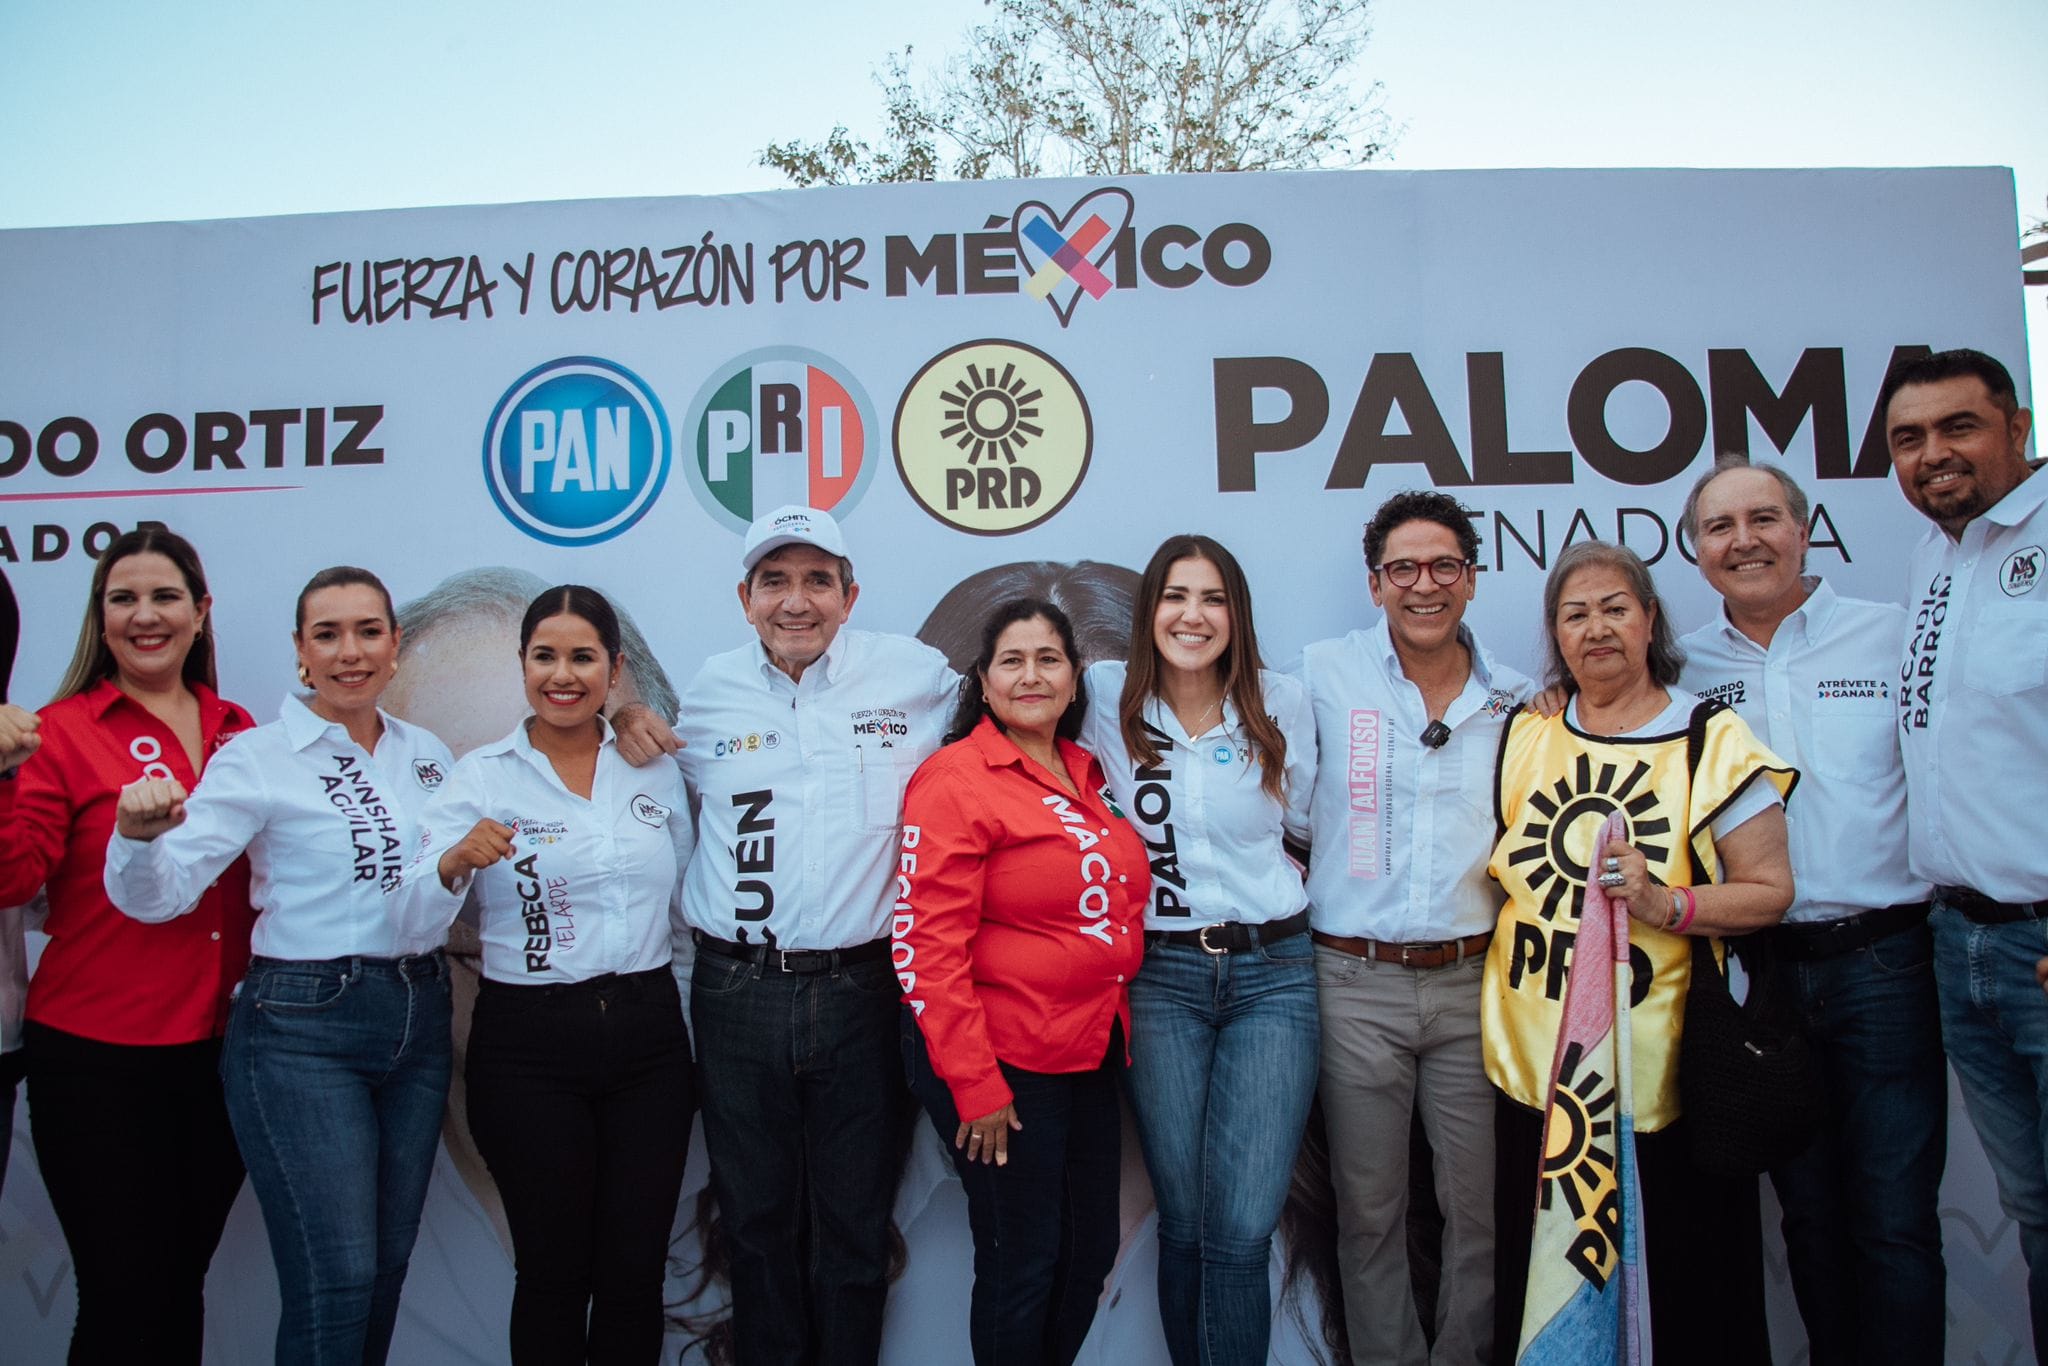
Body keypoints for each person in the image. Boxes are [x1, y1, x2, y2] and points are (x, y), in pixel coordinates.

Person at [103, 565, 460, 1366]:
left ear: (395, 645)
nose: (350, 652)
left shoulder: (427, 755)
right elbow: (159, 898)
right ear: (300, 653)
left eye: (368, 631)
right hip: (303, 1029)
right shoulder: (258, 758)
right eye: (327, 635)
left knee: (385, 1270)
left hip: (418, 1020)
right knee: (335, 1278)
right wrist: (135, 839)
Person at [628, 504, 957, 1366]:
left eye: (818, 580)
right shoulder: (706, 693)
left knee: (853, 1231)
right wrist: (619, 719)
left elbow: (1022, 703)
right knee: (757, 1228)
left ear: (851, 596)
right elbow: (632, 763)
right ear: (745, 598)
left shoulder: (916, 677)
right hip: (737, 993)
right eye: (775, 581)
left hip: (864, 988)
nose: (796, 601)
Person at [1485, 539, 1795, 1365]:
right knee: (1547, 1300)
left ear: (1650, 619)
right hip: (1537, 1073)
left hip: (1664, 1081)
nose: (1597, 629)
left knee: (1688, 1300)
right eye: (1575, 613)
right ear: (1555, 632)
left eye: (1615, 608)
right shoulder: (1526, 730)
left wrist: (1668, 902)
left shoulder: (1709, 737)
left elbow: (1770, 889)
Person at [1675, 454, 1945, 1365]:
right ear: (1696, 552)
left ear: (1804, 528)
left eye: (1762, 519)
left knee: (1895, 1222)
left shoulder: (1894, 636)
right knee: (1811, 1220)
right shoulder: (1680, 669)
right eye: (1719, 528)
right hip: (1762, 974)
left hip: (1885, 964)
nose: (1743, 541)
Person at [406, 584, 695, 1365]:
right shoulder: (480, 777)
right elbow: (413, 912)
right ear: (524, 665)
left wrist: (634, 718)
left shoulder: (652, 765)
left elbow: (691, 895)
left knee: (634, 1275)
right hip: (529, 1048)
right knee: (554, 1275)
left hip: (649, 1043)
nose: (562, 674)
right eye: (544, 656)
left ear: (614, 667)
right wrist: (453, 861)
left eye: (583, 657)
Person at [0, 526, 255, 1365]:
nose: (145, 616)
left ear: (201, 612)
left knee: (179, 1287)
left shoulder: (239, 728)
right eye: (123, 599)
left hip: (221, 1059)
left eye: (165, 597)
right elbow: (13, 879)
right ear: (100, 619)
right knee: (123, 1298)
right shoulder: (56, 732)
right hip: (97, 1058)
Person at [1294, 490, 1529, 1366]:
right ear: (1374, 583)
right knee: (1370, 1210)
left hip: (1477, 984)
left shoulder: (1519, 699)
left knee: (1478, 1210)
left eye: (1442, 567)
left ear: (1471, 578)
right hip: (1353, 983)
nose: (1422, 585)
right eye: (1403, 569)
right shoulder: (1321, 674)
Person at [1079, 534, 1317, 1366]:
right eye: (1176, 597)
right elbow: (997, 701)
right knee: (1183, 1218)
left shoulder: (1281, 700)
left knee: (1243, 1224)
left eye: (1212, 598)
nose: (1193, 615)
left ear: (1236, 615)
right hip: (1160, 977)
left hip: (1273, 975)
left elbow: (1310, 824)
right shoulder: (1105, 696)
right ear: (1149, 613)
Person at [894, 596, 1150, 1365]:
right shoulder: (956, 778)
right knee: (1022, 1260)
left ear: (1076, 680)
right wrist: (977, 1085)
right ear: (983, 681)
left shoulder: (1084, 770)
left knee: (1087, 1250)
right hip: (1002, 1063)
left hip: (1088, 1052)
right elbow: (925, 945)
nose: (1032, 675)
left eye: (1049, 659)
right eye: (1012, 659)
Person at [1881, 346, 2048, 1356]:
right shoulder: (1932, 556)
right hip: (1960, 943)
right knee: (2032, 1212)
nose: (1933, 454)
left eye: (1957, 427)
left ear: (2016, 429)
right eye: (1909, 438)